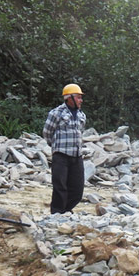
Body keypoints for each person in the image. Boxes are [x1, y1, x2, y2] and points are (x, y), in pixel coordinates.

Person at [43, 83, 86, 214]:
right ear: (69, 98)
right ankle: (57, 213)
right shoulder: (56, 113)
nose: (81, 100)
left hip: (77, 155)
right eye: (78, 97)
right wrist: (55, 146)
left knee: (78, 189)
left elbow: (81, 132)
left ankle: (67, 210)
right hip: (61, 155)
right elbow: (47, 132)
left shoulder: (81, 115)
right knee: (60, 186)